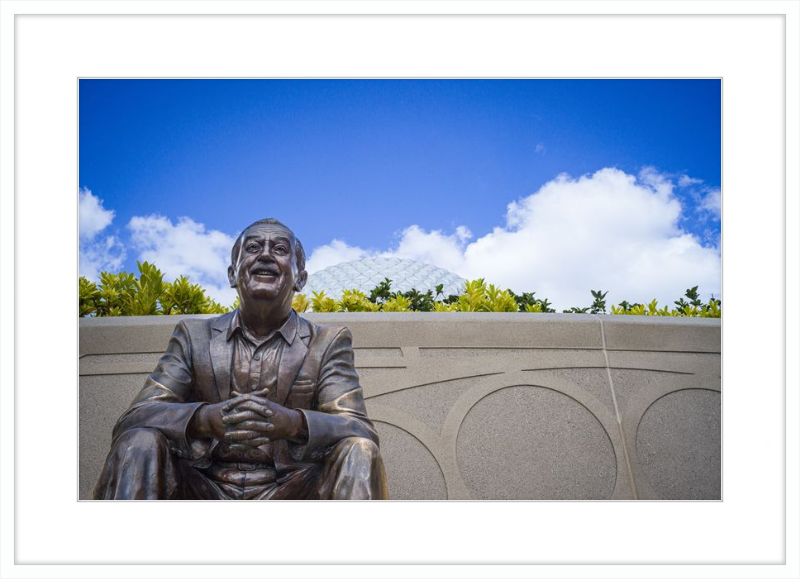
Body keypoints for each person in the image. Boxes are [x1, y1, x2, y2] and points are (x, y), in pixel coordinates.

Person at [94, 218, 388, 500]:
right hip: (201, 488)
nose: (265, 256)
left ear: (300, 278)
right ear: (232, 274)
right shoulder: (194, 335)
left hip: (293, 490)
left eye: (280, 249)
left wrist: (293, 424)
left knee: (359, 449)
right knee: (139, 440)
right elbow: (136, 417)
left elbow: (358, 427)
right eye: (253, 248)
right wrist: (204, 419)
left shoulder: (327, 342)